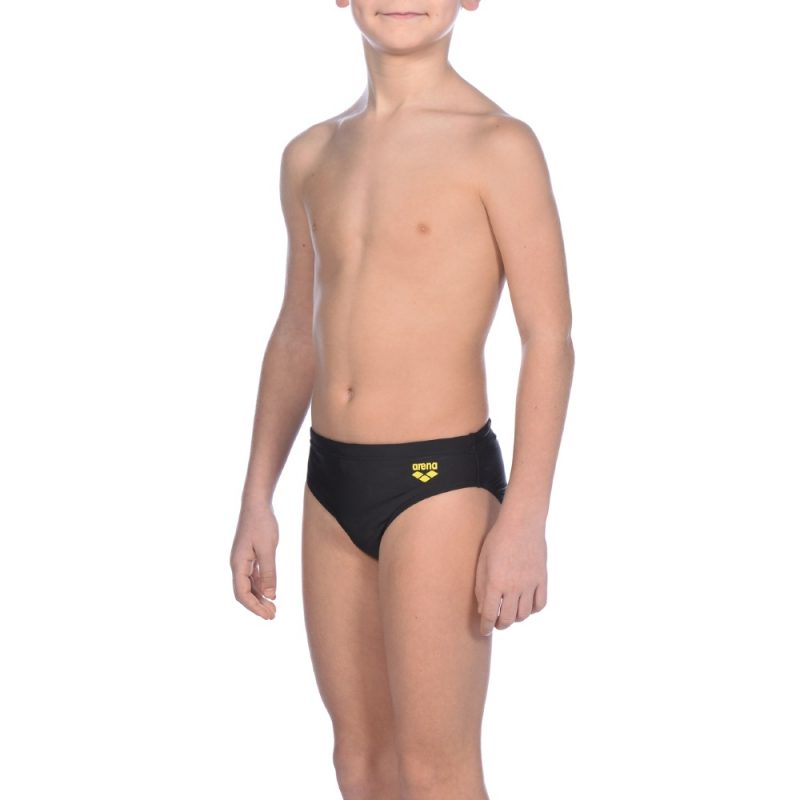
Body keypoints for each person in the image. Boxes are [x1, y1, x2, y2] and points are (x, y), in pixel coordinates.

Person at [230, 1, 574, 797]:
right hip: (329, 483)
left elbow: (549, 337)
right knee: (361, 760)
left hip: (438, 483)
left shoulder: (497, 144)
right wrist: (256, 498)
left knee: (434, 768)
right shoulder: (311, 153)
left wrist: (526, 518)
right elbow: (296, 334)